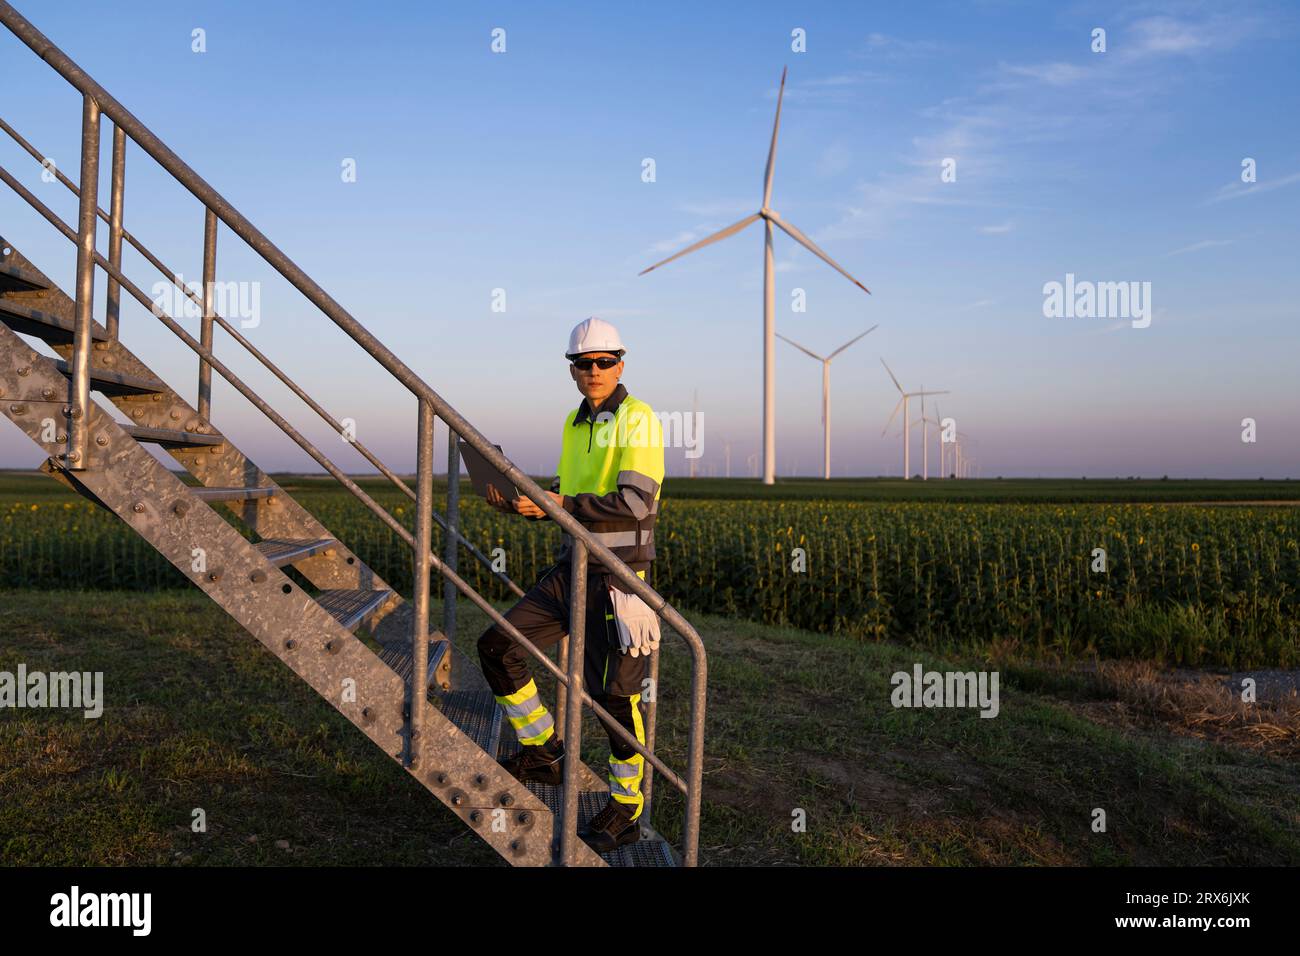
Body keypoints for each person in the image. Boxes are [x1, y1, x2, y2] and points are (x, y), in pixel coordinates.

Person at [477, 317, 665, 852]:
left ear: (621, 364)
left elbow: (635, 504)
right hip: (572, 566)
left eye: (604, 361)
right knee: (497, 646)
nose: (594, 370)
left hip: (619, 575)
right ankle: (545, 752)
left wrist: (560, 504)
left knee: (614, 698)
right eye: (584, 363)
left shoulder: (640, 419)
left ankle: (626, 806)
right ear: (573, 371)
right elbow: (574, 492)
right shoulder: (573, 422)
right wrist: (533, 503)